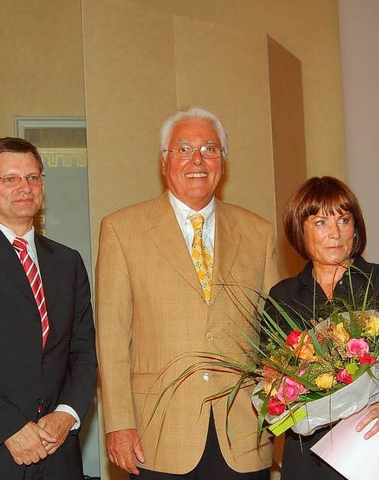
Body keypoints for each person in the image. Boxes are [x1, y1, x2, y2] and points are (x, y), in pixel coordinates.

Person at [95, 107, 280, 479]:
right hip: (157, 434)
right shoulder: (121, 230)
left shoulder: (258, 232)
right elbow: (112, 339)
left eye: (210, 149)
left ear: (222, 163)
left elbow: (274, 335)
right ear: (164, 162)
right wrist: (118, 424)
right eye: (183, 149)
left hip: (242, 432)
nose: (197, 160)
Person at [266, 176, 379, 479]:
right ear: (300, 230)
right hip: (313, 461)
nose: (334, 233)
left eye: (343, 220)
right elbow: (270, 379)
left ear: (356, 226)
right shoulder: (283, 299)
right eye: (320, 222)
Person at [0, 137, 97, 479]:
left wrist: (67, 413)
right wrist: (7, 426)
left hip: (58, 449)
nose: (24, 187)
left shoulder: (68, 262)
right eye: (10, 179)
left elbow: (83, 349)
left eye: (32, 177)